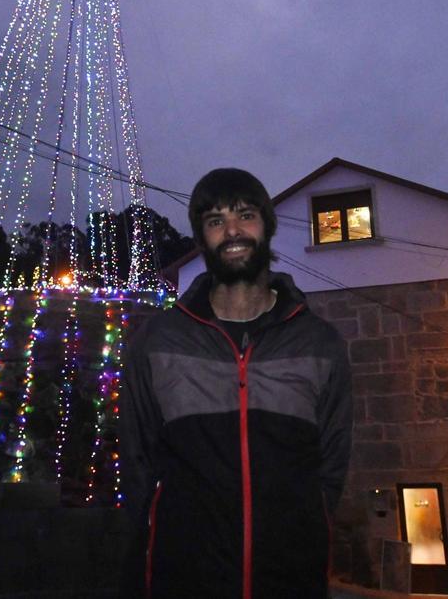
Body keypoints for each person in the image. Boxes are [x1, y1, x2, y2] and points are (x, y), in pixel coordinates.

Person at [119, 168, 352, 599]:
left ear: (268, 225)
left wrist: (302, 531)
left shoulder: (320, 343)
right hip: (183, 580)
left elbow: (331, 466)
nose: (231, 231)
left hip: (291, 581)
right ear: (201, 237)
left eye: (245, 215)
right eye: (215, 221)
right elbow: (136, 463)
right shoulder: (158, 341)